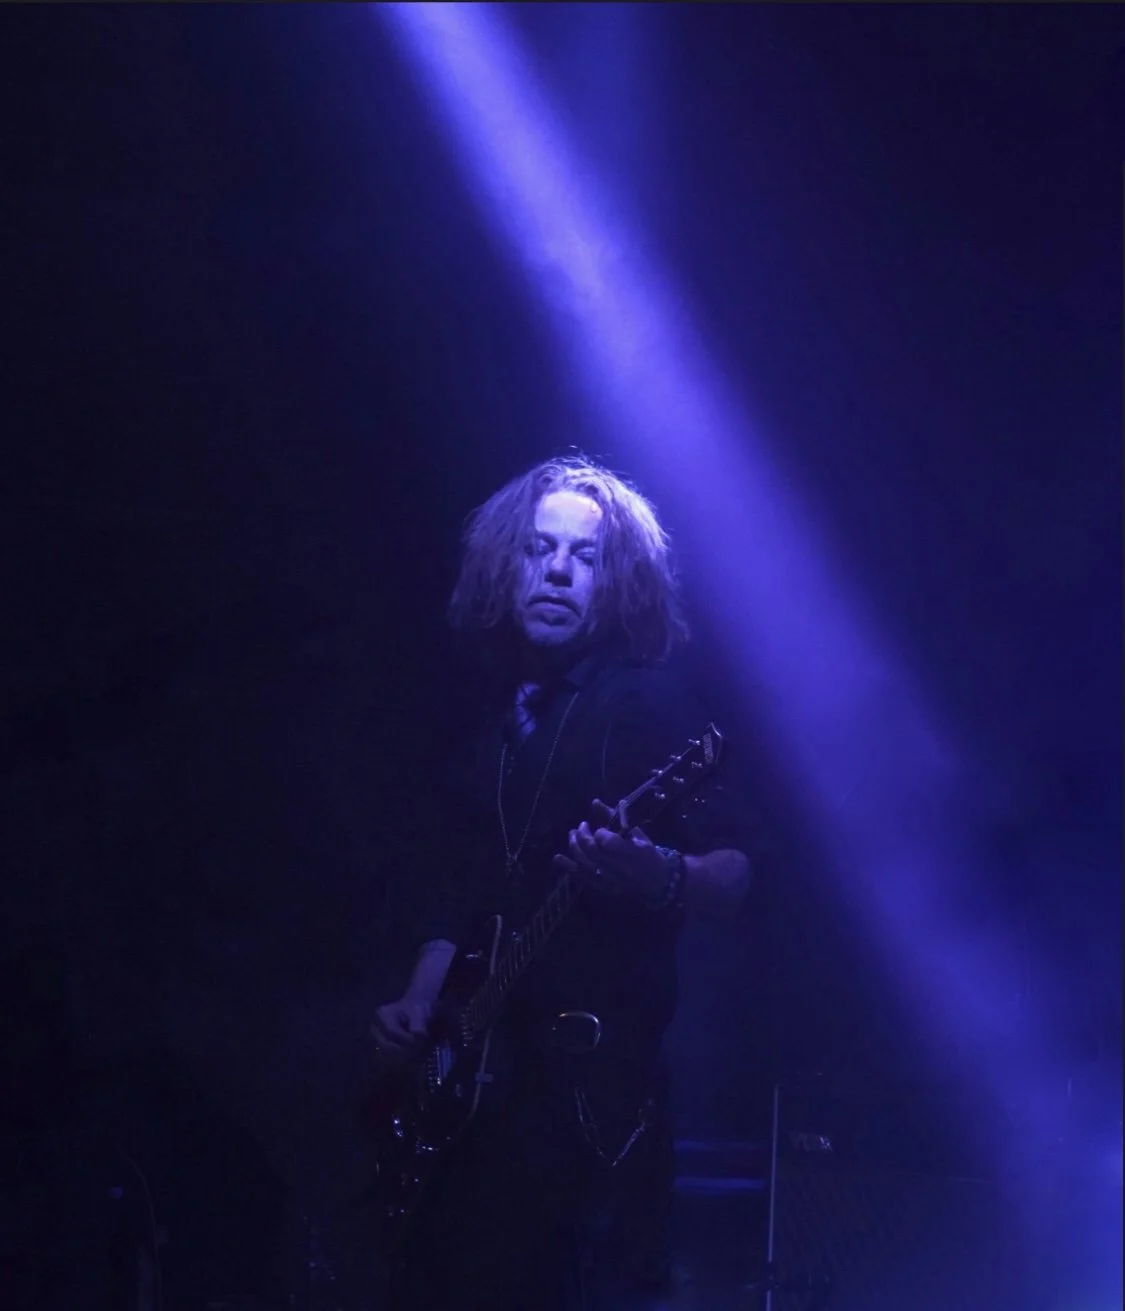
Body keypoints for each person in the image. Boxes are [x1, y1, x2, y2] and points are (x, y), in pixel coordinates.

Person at [371, 456, 754, 1310]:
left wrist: (657, 872)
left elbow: (736, 875)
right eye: (539, 549)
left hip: (590, 1107)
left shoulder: (650, 704)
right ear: (505, 565)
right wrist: (421, 997)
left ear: (616, 583)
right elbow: (465, 880)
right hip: (478, 1092)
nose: (555, 570)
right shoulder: (501, 718)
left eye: (582, 558)